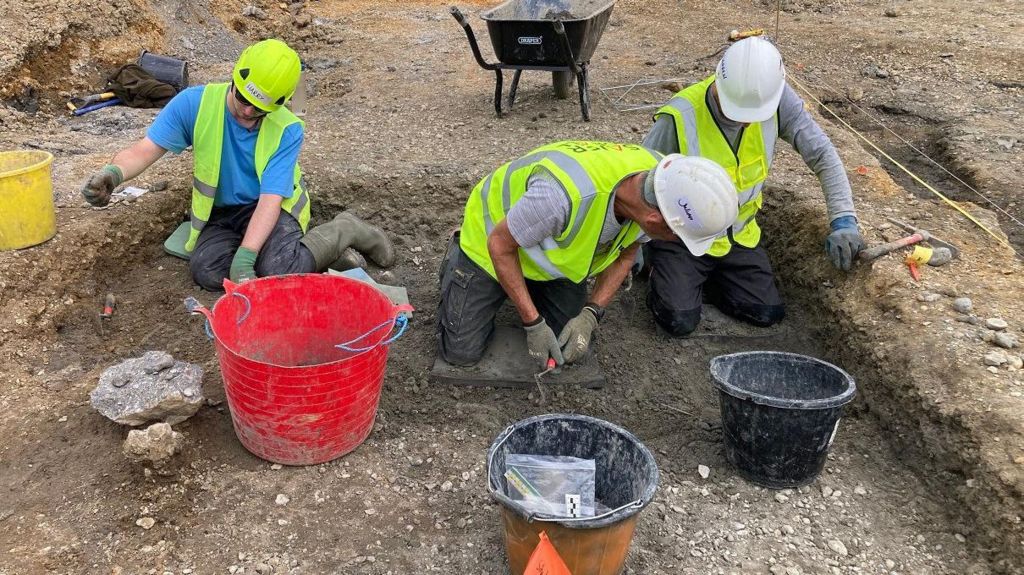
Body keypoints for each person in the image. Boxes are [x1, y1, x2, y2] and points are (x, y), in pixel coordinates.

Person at [79, 39, 393, 290]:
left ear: (279, 104)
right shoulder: (194, 103)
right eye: (242, 99)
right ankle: (307, 257)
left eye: (258, 109)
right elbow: (145, 149)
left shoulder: (288, 129)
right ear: (235, 75)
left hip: (273, 209)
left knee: (275, 270)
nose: (246, 111)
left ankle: (345, 229)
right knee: (208, 271)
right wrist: (113, 173)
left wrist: (245, 257)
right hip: (222, 212)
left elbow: (271, 200)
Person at [437, 140, 739, 370]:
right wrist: (532, 323)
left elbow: (625, 254)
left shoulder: (663, 186)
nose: (678, 245)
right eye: (679, 238)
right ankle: (459, 267)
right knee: (461, 353)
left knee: (569, 347)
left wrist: (592, 314)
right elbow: (500, 246)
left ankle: (528, 287)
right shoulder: (562, 198)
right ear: (654, 222)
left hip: (550, 261)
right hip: (491, 242)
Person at [642, 36, 865, 336]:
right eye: (737, 114)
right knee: (677, 320)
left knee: (765, 312)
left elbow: (823, 154)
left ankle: (704, 283)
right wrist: (635, 250)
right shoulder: (680, 116)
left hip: (739, 238)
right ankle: (664, 274)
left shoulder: (774, 98)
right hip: (683, 237)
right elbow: (641, 179)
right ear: (719, 85)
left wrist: (843, 219)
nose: (747, 123)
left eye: (753, 116)